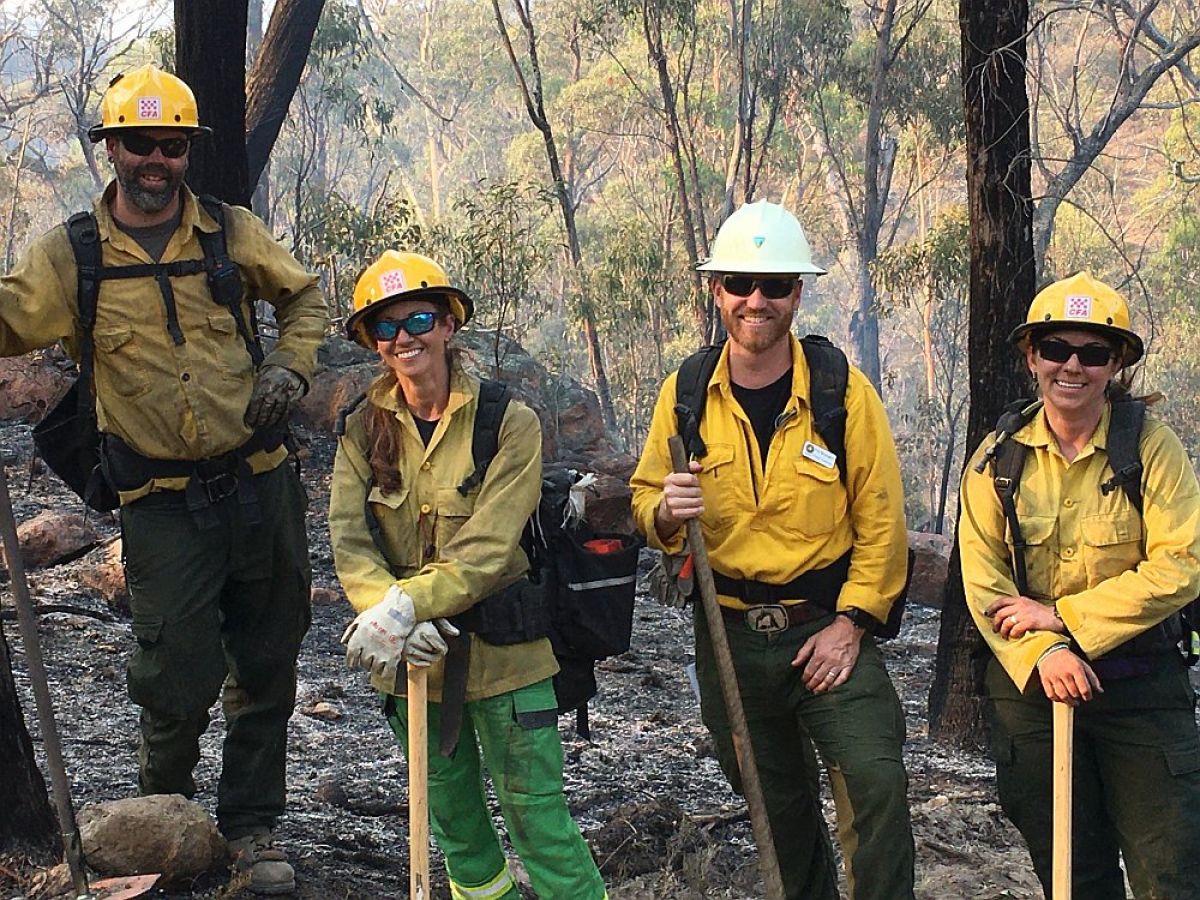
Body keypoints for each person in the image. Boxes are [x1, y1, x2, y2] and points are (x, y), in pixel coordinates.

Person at [0, 65, 326, 894]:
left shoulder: (229, 232)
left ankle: (252, 830)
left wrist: (290, 368)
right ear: (111, 149)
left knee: (266, 663)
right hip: (160, 506)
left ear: (187, 152)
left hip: (260, 485)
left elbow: (305, 301)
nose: (155, 160)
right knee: (171, 676)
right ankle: (166, 817)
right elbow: (8, 319)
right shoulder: (71, 254)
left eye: (171, 146)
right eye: (138, 144)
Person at [630, 200, 915, 900]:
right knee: (776, 810)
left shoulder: (843, 394)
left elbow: (881, 524)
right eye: (739, 284)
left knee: (874, 784)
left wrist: (852, 625)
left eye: (776, 285)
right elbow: (645, 502)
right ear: (716, 291)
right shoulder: (686, 394)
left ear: (797, 293)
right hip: (727, 636)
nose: (756, 301)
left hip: (824, 630)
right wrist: (667, 509)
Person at [329, 250, 607, 900]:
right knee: (458, 833)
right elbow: (350, 540)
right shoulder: (362, 429)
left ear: (449, 324)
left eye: (418, 318)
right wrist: (388, 613)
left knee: (541, 828)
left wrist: (404, 605)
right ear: (373, 343)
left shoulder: (510, 422)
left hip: (511, 663)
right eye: (386, 328)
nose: (405, 338)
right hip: (410, 668)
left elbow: (486, 549)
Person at [958, 272, 1200, 898]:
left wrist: (1064, 619)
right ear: (1031, 357)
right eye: (1056, 349)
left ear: (1115, 364)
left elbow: (1182, 565)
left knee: (1169, 867)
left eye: (1093, 353)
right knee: (1071, 870)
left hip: (1141, 684)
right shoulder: (997, 459)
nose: (1073, 366)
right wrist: (1047, 651)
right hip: (1032, 691)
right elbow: (985, 584)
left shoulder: (1151, 448)